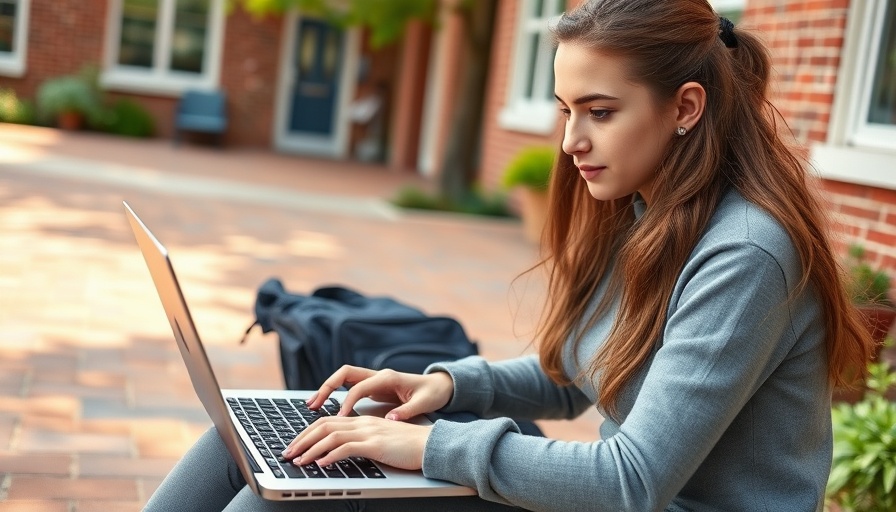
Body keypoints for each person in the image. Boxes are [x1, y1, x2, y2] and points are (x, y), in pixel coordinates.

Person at [144, 0, 875, 510]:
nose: (571, 142)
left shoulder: (745, 255)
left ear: (685, 108)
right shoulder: (648, 211)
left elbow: (630, 482)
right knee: (243, 444)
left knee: (292, 496)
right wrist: (442, 386)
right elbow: (572, 376)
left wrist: (428, 447)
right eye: (566, 111)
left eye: (600, 112)